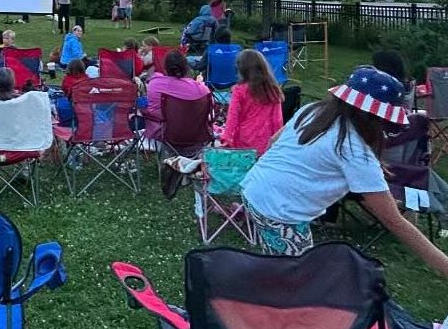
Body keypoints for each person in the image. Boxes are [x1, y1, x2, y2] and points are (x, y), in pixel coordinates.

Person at [241, 66, 448, 277]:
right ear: (376, 119)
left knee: (286, 265)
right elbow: (394, 222)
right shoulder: (354, 151)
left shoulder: (313, 110)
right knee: (297, 282)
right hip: (279, 211)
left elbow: (273, 140)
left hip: (255, 189)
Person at [220, 49, 284, 154]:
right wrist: (277, 141)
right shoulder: (273, 90)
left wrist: (227, 138)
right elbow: (277, 120)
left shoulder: (239, 90)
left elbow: (233, 116)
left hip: (243, 140)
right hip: (266, 141)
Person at [142, 51, 210, 141]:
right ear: (186, 68)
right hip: (196, 135)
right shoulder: (201, 89)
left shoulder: (155, 84)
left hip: (163, 134)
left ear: (165, 68)